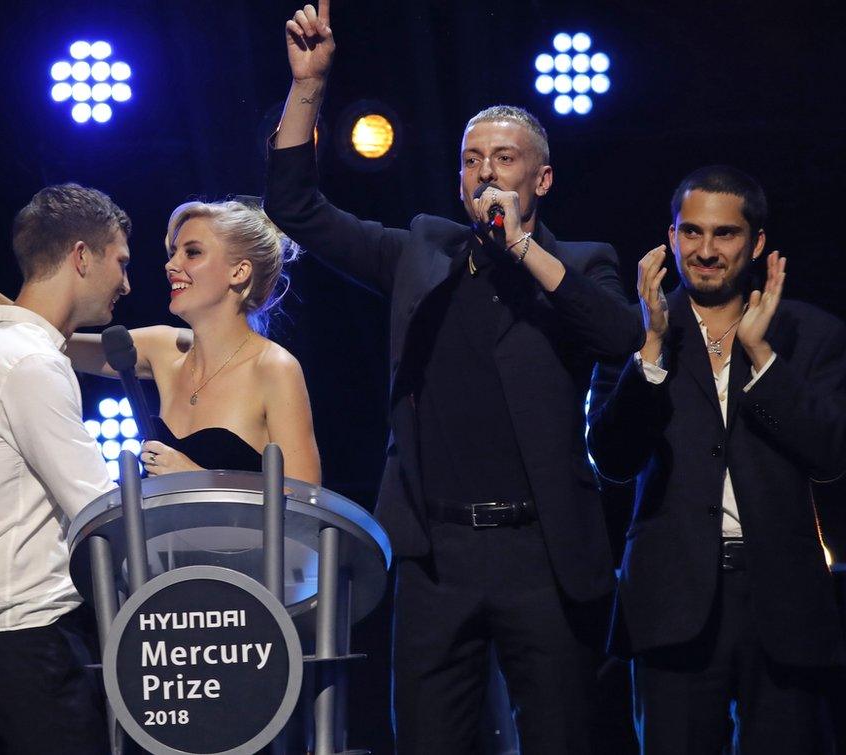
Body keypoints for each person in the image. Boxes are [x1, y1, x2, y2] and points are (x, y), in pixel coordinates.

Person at [266, 3, 643, 752]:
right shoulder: (421, 251)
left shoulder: (582, 262)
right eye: (473, 159)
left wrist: (526, 248)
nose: (484, 173)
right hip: (438, 552)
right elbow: (295, 207)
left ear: (541, 177)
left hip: (543, 550)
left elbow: (619, 337)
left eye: (503, 160)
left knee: (562, 735)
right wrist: (309, 87)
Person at [587, 166, 846, 753]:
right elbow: (611, 461)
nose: (706, 251)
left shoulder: (811, 335)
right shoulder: (635, 333)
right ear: (671, 237)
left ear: (755, 244)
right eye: (691, 233)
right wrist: (650, 355)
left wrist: (764, 359)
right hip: (670, 598)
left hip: (784, 600)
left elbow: (832, 456)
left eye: (724, 234)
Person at [0, 183, 130, 753]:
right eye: (120, 261)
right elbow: (100, 509)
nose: (127, 282)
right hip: (31, 640)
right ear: (82, 257)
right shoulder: (30, 363)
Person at [0, 198, 321, 485]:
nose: (171, 265)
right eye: (173, 253)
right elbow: (49, 337)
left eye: (193, 252)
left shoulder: (274, 368)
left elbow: (307, 499)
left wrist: (202, 480)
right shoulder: (165, 349)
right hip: (169, 576)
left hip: (252, 580)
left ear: (239, 272)